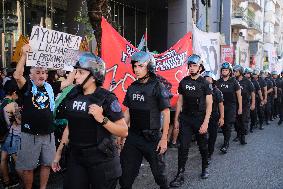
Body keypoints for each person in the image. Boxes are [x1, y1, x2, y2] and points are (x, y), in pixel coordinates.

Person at [52, 52, 128, 189]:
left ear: (93, 76)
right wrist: (58, 154)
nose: (75, 76)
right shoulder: (73, 94)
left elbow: (124, 131)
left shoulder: (106, 98)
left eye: (80, 72)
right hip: (77, 158)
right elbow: (70, 126)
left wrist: (102, 119)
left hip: (101, 160)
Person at [119, 51, 170, 189]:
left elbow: (166, 113)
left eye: (140, 66)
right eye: (135, 66)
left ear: (149, 67)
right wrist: (122, 134)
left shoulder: (158, 86)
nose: (136, 69)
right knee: (125, 178)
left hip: (152, 138)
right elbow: (128, 111)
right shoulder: (132, 87)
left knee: (159, 175)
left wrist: (164, 138)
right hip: (133, 137)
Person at [13, 44, 57, 189]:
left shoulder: (50, 87)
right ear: (31, 75)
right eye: (38, 72)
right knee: (28, 167)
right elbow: (17, 75)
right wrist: (24, 55)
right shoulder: (27, 86)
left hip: (48, 134)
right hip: (30, 134)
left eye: (44, 72)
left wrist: (73, 63)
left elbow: (69, 82)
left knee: (46, 164)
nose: (42, 75)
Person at [170, 54, 212, 188]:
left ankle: (205, 167)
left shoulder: (205, 83)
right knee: (183, 147)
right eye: (190, 66)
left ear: (200, 67)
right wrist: (176, 120)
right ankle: (180, 174)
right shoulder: (183, 82)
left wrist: (206, 122)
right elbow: (180, 101)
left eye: (194, 66)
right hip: (186, 119)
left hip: (199, 119)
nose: (192, 68)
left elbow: (209, 104)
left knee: (202, 146)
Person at [216, 62, 242, 154]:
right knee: (222, 125)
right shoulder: (218, 82)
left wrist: (240, 108)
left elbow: (239, 95)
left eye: (226, 70)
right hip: (220, 107)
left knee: (227, 125)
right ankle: (226, 138)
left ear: (229, 71)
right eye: (223, 70)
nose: (224, 71)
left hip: (231, 106)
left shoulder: (234, 81)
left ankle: (226, 144)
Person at [0, 80, 21, 188]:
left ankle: (6, 181)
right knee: (18, 160)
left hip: (3, 134)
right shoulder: (13, 104)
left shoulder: (2, 102)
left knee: (3, 158)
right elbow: (19, 121)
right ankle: (27, 181)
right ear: (13, 92)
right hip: (13, 135)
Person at [202, 71, 224, 161]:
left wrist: (222, 117)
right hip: (202, 115)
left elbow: (221, 104)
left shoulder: (217, 91)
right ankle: (204, 151)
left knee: (213, 135)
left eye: (209, 78)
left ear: (213, 80)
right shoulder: (200, 89)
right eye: (205, 78)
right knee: (202, 135)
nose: (207, 80)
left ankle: (209, 153)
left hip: (213, 116)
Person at [233, 65, 255, 144]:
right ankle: (238, 135)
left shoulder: (247, 81)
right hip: (235, 104)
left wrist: (253, 104)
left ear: (240, 72)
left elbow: (252, 93)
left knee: (243, 121)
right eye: (234, 71)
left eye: (236, 71)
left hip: (245, 105)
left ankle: (242, 137)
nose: (234, 73)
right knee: (236, 121)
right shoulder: (233, 80)